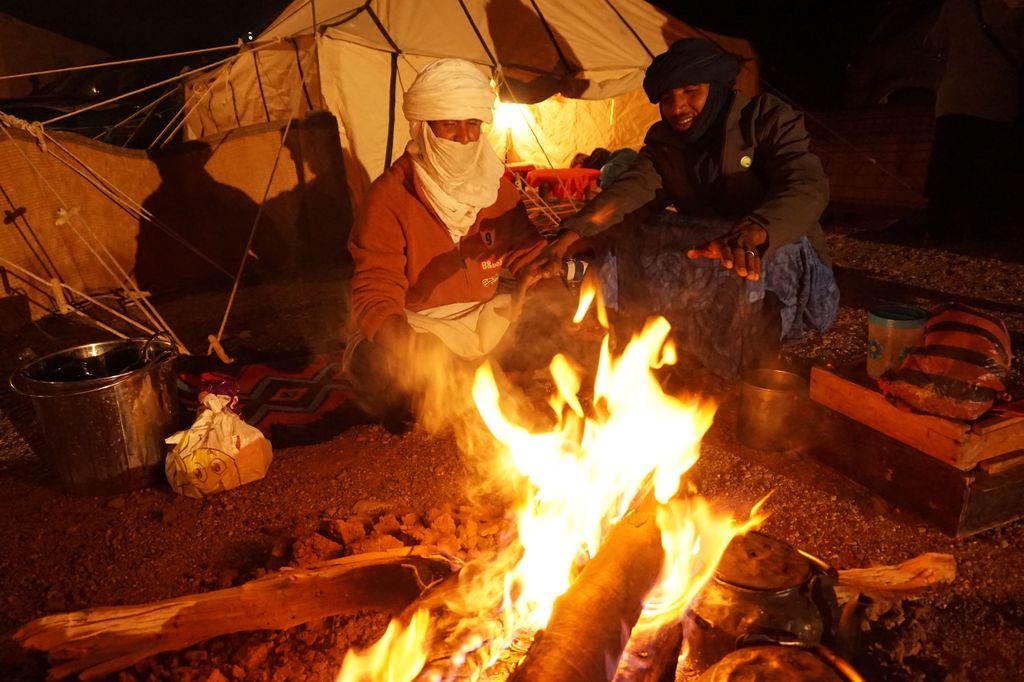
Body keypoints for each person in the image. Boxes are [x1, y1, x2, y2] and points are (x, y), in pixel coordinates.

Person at [522, 38, 840, 380]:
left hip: (775, 247)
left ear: (716, 87)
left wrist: (757, 228)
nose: (679, 107)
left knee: (770, 254)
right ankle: (632, 351)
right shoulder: (665, 143)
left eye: (691, 91)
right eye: (668, 98)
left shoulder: (765, 118)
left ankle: (760, 365)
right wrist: (565, 241)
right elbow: (631, 193)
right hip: (714, 246)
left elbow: (806, 185)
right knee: (633, 231)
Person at [344, 58, 547, 426]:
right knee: (379, 371)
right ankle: (470, 386)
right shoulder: (389, 197)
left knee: (557, 322)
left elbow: (527, 250)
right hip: (422, 324)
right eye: (450, 124)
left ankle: (472, 386)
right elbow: (376, 290)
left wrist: (545, 277)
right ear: (424, 126)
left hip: (488, 317)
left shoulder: (495, 186)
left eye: (473, 124)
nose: (465, 138)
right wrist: (414, 349)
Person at [924, 0, 1023, 245]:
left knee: (947, 169)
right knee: (987, 170)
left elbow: (934, 42)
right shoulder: (1014, 9)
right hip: (995, 101)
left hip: (953, 101)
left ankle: (937, 229)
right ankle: (979, 231)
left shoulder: (956, 5)